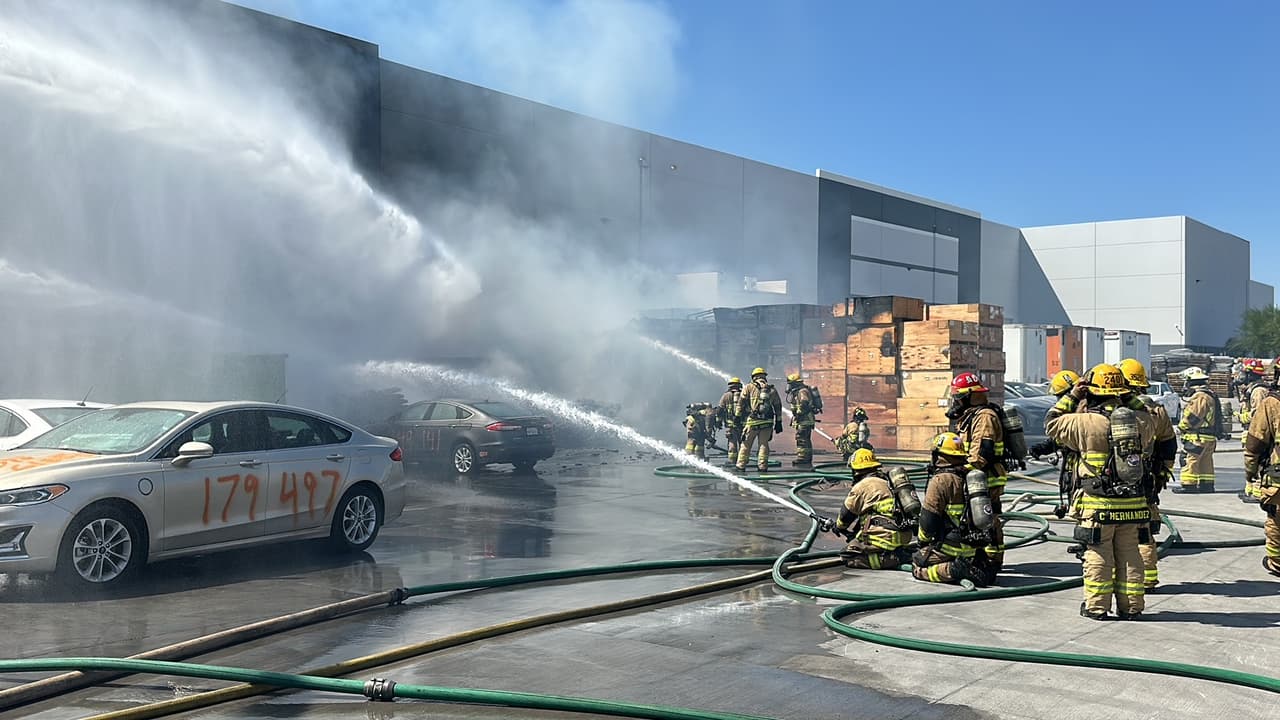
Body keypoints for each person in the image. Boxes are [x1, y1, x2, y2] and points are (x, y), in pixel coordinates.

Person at [1045, 363, 1156, 620]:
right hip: (1133, 503)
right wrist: (1128, 395)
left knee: (1098, 555)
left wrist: (1072, 396)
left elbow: (1051, 423)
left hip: (1098, 505)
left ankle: (1096, 607)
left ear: (1091, 391)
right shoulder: (1139, 421)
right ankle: (1132, 608)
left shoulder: (1084, 422)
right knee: (1130, 555)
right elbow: (1152, 417)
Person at [1119, 358, 1177, 589]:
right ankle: (1148, 578)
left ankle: (1125, 578)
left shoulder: (1116, 407)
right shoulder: (1156, 409)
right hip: (1146, 477)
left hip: (1118, 477)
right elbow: (1168, 445)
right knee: (1144, 528)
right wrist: (1162, 473)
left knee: (1118, 530)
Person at [912, 432, 996, 586]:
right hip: (973, 547)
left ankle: (952, 570)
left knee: (917, 564)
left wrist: (922, 544)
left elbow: (928, 522)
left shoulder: (940, 480)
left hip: (949, 547)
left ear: (938, 455)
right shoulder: (972, 477)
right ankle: (974, 567)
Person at [946, 372, 1008, 572]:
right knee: (977, 519)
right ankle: (981, 556)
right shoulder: (972, 416)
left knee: (987, 520)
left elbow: (981, 453)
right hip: (977, 477)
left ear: (970, 395)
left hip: (986, 478)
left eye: (959, 397)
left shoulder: (984, 417)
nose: (956, 401)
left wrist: (958, 470)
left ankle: (992, 561)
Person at [832, 448, 914, 569]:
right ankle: (897, 553)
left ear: (856, 470)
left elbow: (846, 516)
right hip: (903, 537)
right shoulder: (887, 481)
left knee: (848, 555)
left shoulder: (862, 486)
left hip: (884, 540)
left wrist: (837, 527)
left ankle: (888, 560)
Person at [1241, 355, 1280, 578]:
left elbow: (1254, 444)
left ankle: (1277, 563)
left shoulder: (1272, 404)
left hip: (1278, 482)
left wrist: (1250, 474)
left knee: (1276, 522)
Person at [1175, 368, 1220, 493]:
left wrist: (1181, 426)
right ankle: (1207, 485)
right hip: (1207, 437)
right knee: (1206, 462)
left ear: (1191, 383)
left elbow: (1194, 417)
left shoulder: (1200, 397)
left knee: (1189, 459)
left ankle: (1189, 485)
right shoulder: (1209, 395)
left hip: (1197, 437)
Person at [736, 367, 783, 473]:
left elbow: (741, 402)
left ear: (753, 377)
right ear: (764, 377)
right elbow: (778, 406)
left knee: (746, 444)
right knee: (763, 445)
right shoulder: (772, 389)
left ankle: (741, 465)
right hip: (767, 422)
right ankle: (762, 466)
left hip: (753, 421)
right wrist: (779, 422)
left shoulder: (748, 387)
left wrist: (737, 416)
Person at [1238, 360, 1269, 502]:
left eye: (1244, 373)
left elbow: (1258, 414)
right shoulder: (1253, 389)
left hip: (1256, 432)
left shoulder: (1259, 391)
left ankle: (1257, 493)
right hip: (1250, 431)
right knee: (1250, 462)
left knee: (1257, 462)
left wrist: (1242, 417)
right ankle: (1250, 491)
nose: (1241, 376)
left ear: (1251, 374)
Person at [785, 373, 816, 468]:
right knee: (805, 438)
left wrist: (798, 413)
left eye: (791, 384)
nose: (789, 386)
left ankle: (803, 458)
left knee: (801, 438)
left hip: (805, 419)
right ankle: (807, 457)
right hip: (805, 419)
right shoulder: (799, 391)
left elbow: (804, 403)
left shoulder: (802, 391)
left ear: (795, 383)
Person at [717, 378, 745, 464]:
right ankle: (742, 461)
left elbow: (720, 410)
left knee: (732, 443)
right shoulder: (744, 394)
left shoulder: (726, 395)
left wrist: (719, 421)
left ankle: (732, 461)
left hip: (731, 425)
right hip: (743, 424)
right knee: (743, 443)